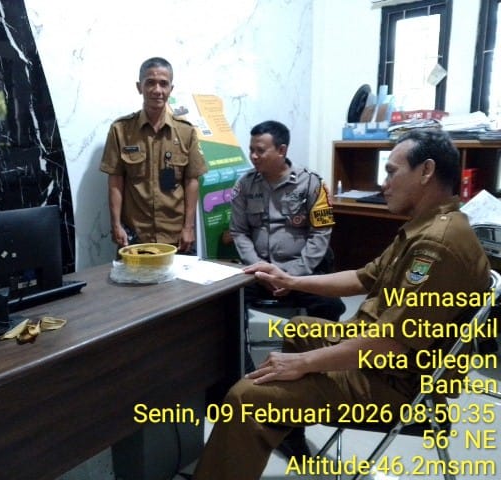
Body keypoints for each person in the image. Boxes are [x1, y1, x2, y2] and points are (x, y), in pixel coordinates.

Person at [192, 128, 490, 480]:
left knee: (246, 397)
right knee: (300, 329)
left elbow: (390, 344)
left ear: (426, 171)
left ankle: (269, 416)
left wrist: (302, 363)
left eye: (392, 172)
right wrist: (290, 280)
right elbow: (363, 277)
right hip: (381, 360)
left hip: (398, 384)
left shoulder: (437, 244)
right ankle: (281, 425)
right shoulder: (427, 227)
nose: (383, 183)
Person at [230, 120, 346, 321]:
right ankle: (240, 344)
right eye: (251, 150)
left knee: (330, 305)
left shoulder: (312, 183)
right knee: (224, 301)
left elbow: (321, 233)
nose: (253, 156)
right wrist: (259, 268)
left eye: (260, 150)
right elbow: (239, 231)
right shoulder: (244, 184)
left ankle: (315, 343)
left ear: (282, 150)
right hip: (258, 272)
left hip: (300, 272)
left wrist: (292, 276)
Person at [99, 57, 207, 252]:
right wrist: (116, 225)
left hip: (176, 236)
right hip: (135, 236)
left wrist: (189, 227)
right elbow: (115, 180)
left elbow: (192, 181)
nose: (157, 90)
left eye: (163, 84)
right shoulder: (121, 130)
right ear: (139, 87)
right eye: (150, 83)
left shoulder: (186, 131)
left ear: (171, 89)